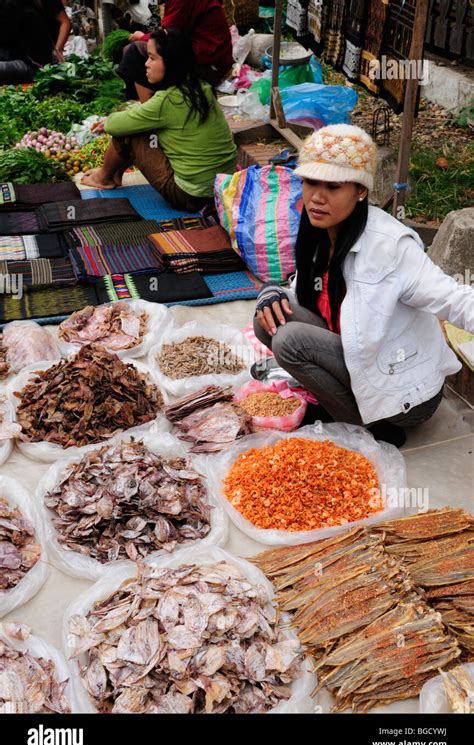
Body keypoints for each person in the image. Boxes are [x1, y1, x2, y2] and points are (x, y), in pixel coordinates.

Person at [253, 124, 474, 447]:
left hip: (405, 395)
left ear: (360, 191)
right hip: (359, 361)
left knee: (289, 340)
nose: (317, 196)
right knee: (268, 320)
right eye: (311, 182)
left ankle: (367, 431)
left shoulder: (390, 246)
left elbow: (455, 299)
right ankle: (339, 406)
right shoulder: (319, 230)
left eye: (333, 187)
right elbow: (304, 291)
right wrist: (271, 292)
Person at [81, 28, 237, 213]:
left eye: (152, 58)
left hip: (191, 196)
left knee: (131, 134)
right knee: (141, 127)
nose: (146, 64)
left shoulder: (167, 100)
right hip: (223, 188)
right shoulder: (201, 88)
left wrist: (109, 121)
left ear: (170, 63)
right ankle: (114, 175)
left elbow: (116, 126)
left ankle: (103, 178)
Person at [118, 0, 233, 100]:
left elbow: (169, 35)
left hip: (209, 64)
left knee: (133, 52)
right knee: (134, 51)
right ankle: (146, 103)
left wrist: (142, 37)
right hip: (198, 54)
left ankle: (151, 112)